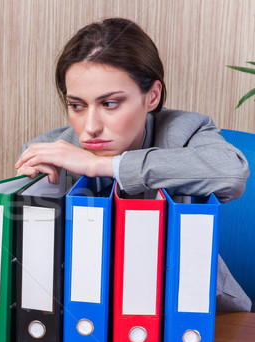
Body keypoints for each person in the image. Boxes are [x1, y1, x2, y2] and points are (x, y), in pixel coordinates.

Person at [15, 18, 251, 311]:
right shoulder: (49, 152)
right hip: (78, 320)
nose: (90, 127)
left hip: (196, 314)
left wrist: (105, 165)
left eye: (110, 103)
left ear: (152, 96)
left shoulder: (185, 130)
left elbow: (231, 171)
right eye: (77, 105)